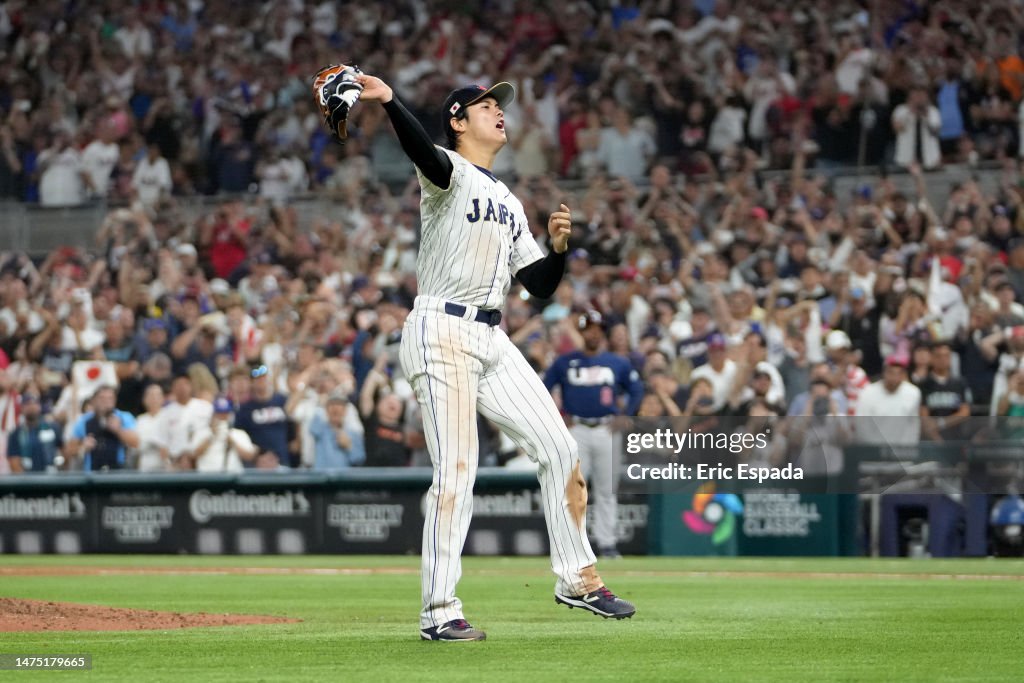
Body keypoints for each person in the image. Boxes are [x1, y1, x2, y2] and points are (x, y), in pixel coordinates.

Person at [351, 69, 636, 640]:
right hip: (441, 328)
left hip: (492, 336)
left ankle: (576, 578)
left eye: (498, 105)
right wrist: (389, 102)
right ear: (457, 122)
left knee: (559, 449)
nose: (498, 110)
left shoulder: (506, 199)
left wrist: (558, 251)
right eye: (483, 106)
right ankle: (438, 612)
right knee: (457, 473)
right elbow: (421, 150)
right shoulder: (447, 171)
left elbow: (539, 285)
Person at [543, 311, 643, 559]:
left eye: (598, 328)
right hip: (576, 429)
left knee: (607, 490)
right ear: (581, 331)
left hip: (606, 428)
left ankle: (607, 544)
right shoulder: (565, 361)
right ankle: (571, 545)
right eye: (589, 328)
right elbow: (544, 388)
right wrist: (557, 415)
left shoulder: (617, 362)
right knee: (574, 490)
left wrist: (627, 413)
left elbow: (637, 388)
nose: (594, 333)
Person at [66, 385, 140, 471]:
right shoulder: (84, 421)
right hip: (92, 473)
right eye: (102, 398)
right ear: (94, 400)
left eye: (110, 398)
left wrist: (119, 430)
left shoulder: (124, 417)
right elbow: (69, 450)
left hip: (118, 472)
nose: (106, 402)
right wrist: (82, 447)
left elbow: (136, 442)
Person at [188, 396, 258, 472]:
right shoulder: (202, 432)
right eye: (219, 413)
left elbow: (250, 456)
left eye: (225, 414)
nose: (222, 417)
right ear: (213, 415)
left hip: (232, 478)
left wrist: (232, 442)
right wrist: (211, 437)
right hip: (207, 479)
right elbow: (193, 455)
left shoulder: (238, 433)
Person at [6, 391, 64, 472]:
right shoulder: (15, 434)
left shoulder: (53, 428)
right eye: (28, 404)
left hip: (51, 478)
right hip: (27, 480)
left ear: (40, 406)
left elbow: (63, 452)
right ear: (22, 408)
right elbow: (14, 462)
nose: (32, 407)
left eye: (35, 403)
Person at [309, 392, 366, 469]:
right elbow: (313, 428)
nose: (335, 409)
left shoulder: (353, 433)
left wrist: (349, 447)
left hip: (343, 478)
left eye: (339, 405)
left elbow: (359, 459)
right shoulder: (321, 429)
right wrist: (321, 405)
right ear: (326, 409)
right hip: (321, 477)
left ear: (345, 410)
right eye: (332, 405)